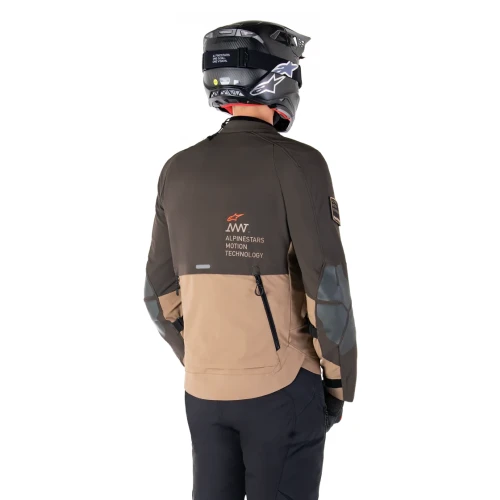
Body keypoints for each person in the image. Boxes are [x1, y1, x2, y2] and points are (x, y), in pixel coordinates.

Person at [144, 20, 357, 500]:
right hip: (282, 388)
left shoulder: (176, 169)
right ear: (278, 79)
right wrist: (337, 386)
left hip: (203, 392)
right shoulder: (300, 163)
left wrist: (204, 359)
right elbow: (328, 288)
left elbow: (157, 295)